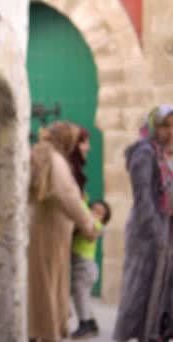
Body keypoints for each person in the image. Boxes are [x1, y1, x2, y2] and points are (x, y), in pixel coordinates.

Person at [28, 121, 100, 342]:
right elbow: (68, 196)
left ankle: (37, 331)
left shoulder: (42, 155)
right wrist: (89, 225)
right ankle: (45, 333)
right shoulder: (56, 160)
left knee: (43, 285)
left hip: (44, 232)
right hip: (51, 235)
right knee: (49, 286)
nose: (85, 147)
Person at [114, 105, 173, 342]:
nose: (170, 131)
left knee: (162, 287)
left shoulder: (165, 155)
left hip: (166, 228)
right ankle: (132, 335)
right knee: (141, 289)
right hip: (146, 232)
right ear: (153, 127)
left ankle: (155, 333)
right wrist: (156, 234)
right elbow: (143, 200)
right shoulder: (144, 153)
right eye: (165, 126)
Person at [71, 199, 112, 339]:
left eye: (100, 213)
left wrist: (90, 218)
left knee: (80, 296)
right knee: (83, 297)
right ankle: (92, 324)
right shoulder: (86, 221)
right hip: (81, 266)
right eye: (93, 210)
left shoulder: (98, 226)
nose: (95, 214)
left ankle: (85, 324)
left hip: (85, 267)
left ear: (104, 219)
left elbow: (92, 234)